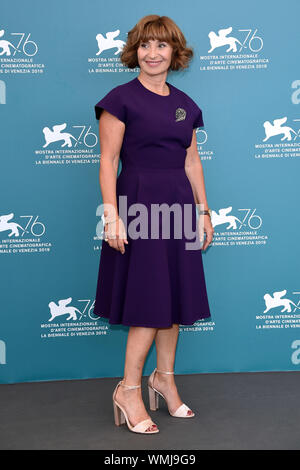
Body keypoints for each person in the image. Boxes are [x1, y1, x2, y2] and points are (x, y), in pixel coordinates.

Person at [94, 15, 214, 434]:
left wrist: (203, 210)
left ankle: (163, 379)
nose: (153, 53)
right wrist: (112, 216)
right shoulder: (120, 99)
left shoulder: (185, 104)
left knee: (174, 301)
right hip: (139, 207)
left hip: (179, 207)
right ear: (135, 52)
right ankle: (129, 389)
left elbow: (191, 160)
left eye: (162, 46)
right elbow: (108, 161)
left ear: (174, 53)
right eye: (145, 45)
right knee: (149, 301)